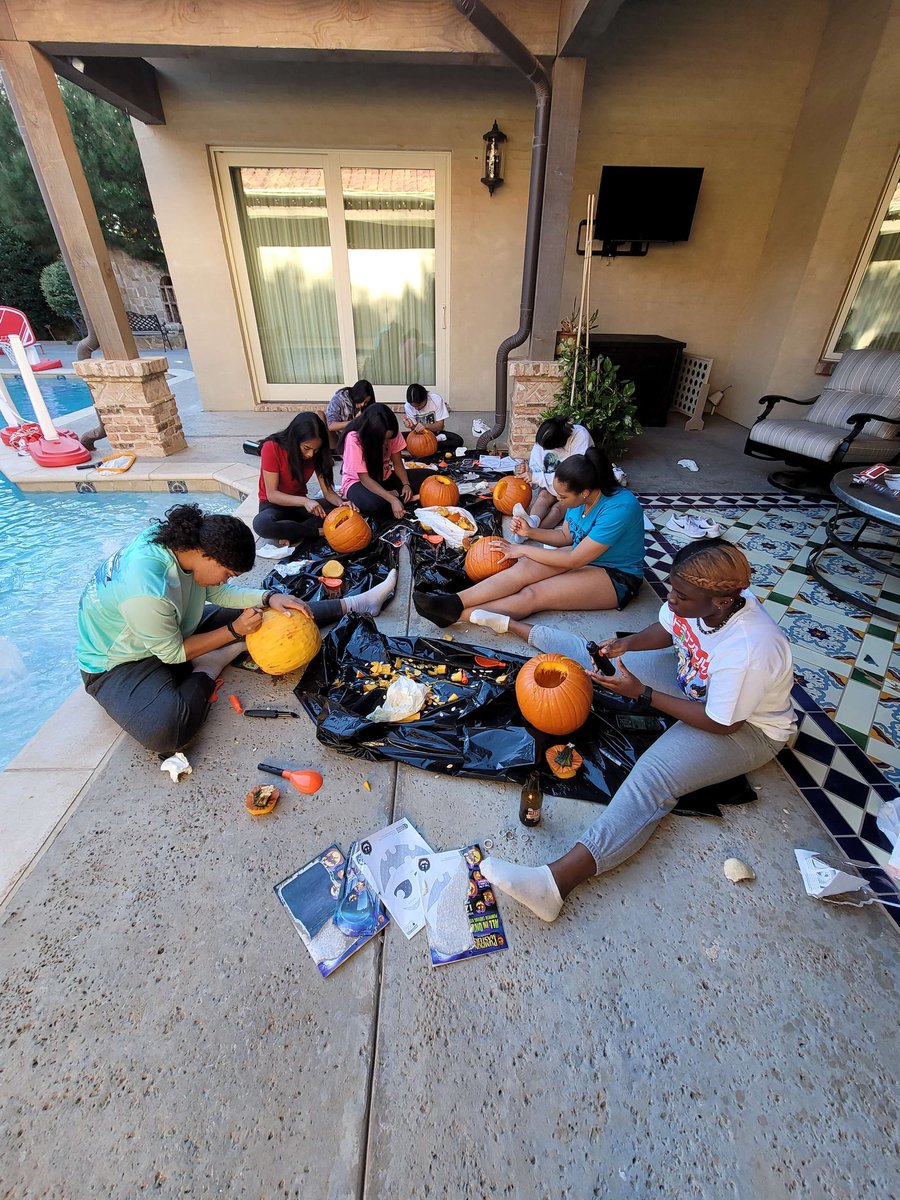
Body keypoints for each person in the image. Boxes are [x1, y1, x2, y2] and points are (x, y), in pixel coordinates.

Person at [478, 541, 797, 922]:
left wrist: (644, 695)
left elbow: (723, 722)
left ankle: (553, 885)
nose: (672, 600)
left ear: (723, 602)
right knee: (597, 655)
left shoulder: (750, 649)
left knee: (654, 777)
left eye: (681, 596)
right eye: (672, 590)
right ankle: (514, 625)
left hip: (748, 730)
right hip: (694, 682)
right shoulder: (701, 602)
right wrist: (627, 645)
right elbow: (668, 627)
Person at [78, 504, 397, 756]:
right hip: (119, 664)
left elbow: (215, 593)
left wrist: (269, 596)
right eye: (227, 573)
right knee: (167, 731)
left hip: (170, 627)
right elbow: (172, 652)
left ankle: (357, 603)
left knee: (272, 611)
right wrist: (233, 631)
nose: (226, 580)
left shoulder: (182, 548)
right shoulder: (146, 590)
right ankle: (211, 664)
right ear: (207, 555)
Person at [412, 447, 644, 629]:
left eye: (562, 496)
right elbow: (565, 536)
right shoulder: (580, 497)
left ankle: (457, 617)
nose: (558, 500)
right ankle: (454, 602)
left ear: (584, 492)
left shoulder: (620, 507)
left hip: (615, 574)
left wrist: (521, 549)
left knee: (534, 594)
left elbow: (574, 560)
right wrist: (529, 532)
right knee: (523, 571)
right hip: (584, 554)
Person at [253, 412, 353, 558]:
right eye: (306, 448)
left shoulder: (316, 455)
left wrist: (341, 503)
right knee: (262, 524)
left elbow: (328, 492)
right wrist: (305, 501)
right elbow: (272, 494)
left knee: (344, 509)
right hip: (273, 505)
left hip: (299, 507)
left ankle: (292, 531)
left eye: (316, 450)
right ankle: (316, 532)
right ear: (295, 440)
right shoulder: (271, 447)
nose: (311, 454)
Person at [339, 402, 434, 520]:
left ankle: (396, 495)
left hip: (384, 477)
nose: (385, 443)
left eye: (388, 439)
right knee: (375, 505)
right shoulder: (354, 438)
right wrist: (392, 499)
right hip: (358, 482)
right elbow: (365, 478)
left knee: (431, 477)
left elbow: (398, 464)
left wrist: (406, 484)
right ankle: (397, 497)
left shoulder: (392, 432)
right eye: (382, 439)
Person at [515, 416, 593, 530]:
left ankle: (532, 532)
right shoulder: (543, 441)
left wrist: (536, 477)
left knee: (557, 509)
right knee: (543, 496)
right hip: (550, 484)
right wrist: (530, 472)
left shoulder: (580, 437)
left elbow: (575, 475)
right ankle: (532, 523)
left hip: (573, 486)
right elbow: (537, 472)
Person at [403, 383, 464, 455]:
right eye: (413, 406)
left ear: (425, 397)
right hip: (419, 436)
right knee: (395, 439)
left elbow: (440, 426)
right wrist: (410, 424)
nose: (416, 408)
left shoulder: (436, 399)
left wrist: (425, 426)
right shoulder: (408, 406)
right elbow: (414, 430)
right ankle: (427, 447)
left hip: (436, 433)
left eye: (419, 405)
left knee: (457, 440)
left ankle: (425, 446)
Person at [325, 380, 375, 447]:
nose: (363, 404)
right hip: (342, 438)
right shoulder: (338, 400)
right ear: (357, 396)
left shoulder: (363, 406)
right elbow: (331, 425)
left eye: (366, 402)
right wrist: (354, 422)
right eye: (361, 400)